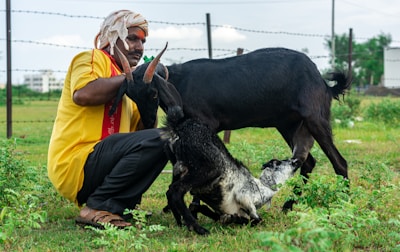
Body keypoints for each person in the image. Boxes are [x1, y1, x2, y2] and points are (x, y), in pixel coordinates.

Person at [47, 9, 168, 229]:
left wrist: (150, 102)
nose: (139, 47)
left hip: (102, 163)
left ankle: (118, 205)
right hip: (76, 162)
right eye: (132, 38)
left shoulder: (130, 80)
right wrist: (133, 76)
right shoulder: (91, 58)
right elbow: (83, 94)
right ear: (112, 37)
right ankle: (96, 206)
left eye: (143, 42)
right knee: (161, 138)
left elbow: (144, 137)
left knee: (165, 140)